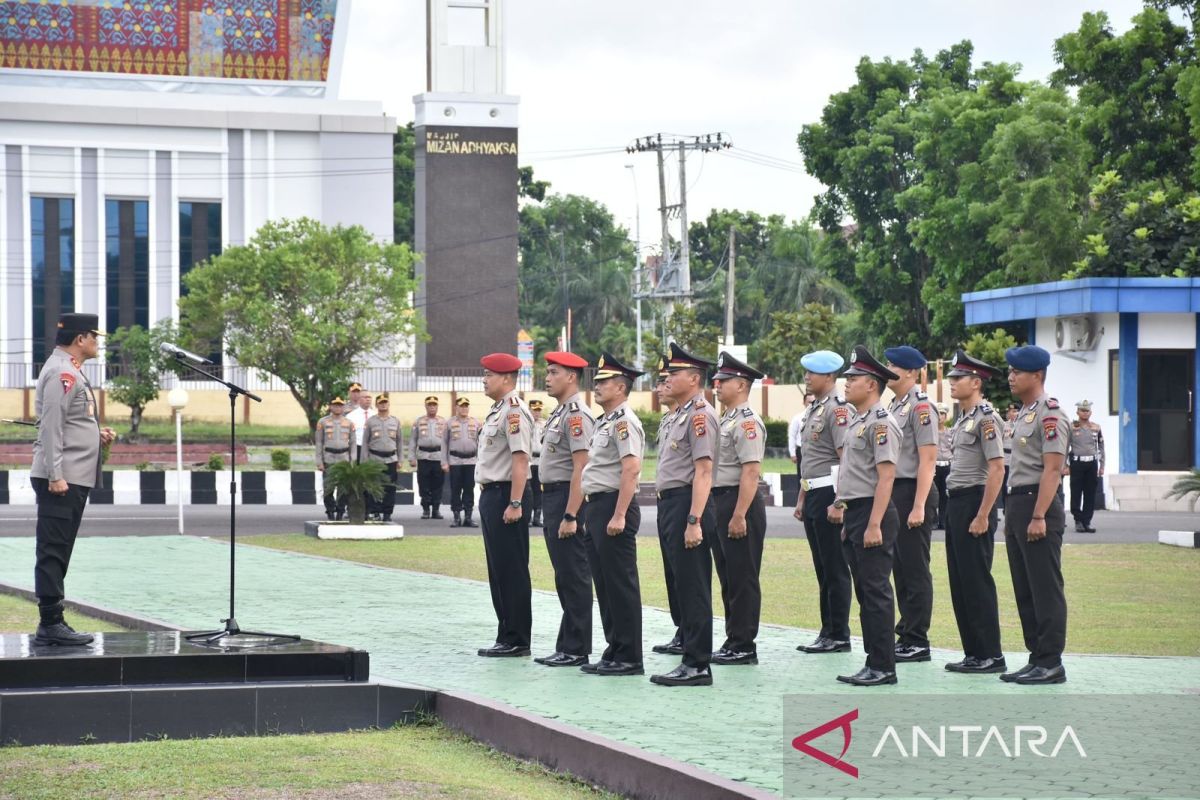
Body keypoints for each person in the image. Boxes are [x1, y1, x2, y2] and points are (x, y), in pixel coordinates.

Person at [30, 312, 115, 646]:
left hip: (73, 476)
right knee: (53, 549)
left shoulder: (69, 370)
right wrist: (55, 474)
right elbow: (51, 426)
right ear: (80, 339)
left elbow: (71, 421)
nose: (97, 343)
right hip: (62, 478)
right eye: (94, 336)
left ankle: (54, 619)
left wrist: (96, 434)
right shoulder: (62, 373)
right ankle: (50, 623)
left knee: (61, 548)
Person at [828, 346, 902, 686]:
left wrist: (874, 522)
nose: (847, 383)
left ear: (871, 385)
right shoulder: (858, 421)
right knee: (865, 592)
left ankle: (884, 666)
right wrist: (846, 511)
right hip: (857, 511)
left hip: (875, 511)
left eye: (853, 378)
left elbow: (886, 476)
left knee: (875, 592)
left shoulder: (882, 423)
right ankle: (873, 660)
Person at [650, 343, 719, 688]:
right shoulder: (677, 414)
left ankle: (697, 664)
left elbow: (703, 471)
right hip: (670, 504)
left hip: (687, 504)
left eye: (674, 373)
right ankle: (689, 655)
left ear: (693, 379)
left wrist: (694, 520)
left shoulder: (699, 415)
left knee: (693, 586)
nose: (667, 378)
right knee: (681, 583)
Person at [1001, 345, 1070, 685]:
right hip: (1017, 505)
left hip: (1037, 505)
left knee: (1045, 588)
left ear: (1037, 375)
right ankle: (1036, 657)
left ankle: (1051, 661)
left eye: (1017, 371)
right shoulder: (1025, 414)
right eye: (1010, 371)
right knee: (1025, 588)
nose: (1011, 376)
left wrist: (1039, 515)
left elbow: (1053, 470)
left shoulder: (1050, 415)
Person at [580, 353, 646, 676]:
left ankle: (630, 656)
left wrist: (619, 515)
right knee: (604, 585)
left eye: (604, 382)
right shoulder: (605, 421)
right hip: (597, 506)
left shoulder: (624, 421)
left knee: (620, 584)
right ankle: (614, 648)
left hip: (613, 506)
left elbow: (630, 469)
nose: (597, 385)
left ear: (621, 387)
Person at [942, 350, 1008, 675]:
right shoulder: (962, 418)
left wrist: (984, 514)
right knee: (960, 581)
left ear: (976, 382)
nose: (952, 383)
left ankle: (991, 654)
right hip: (956, 502)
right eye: (952, 377)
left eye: (958, 378)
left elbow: (997, 469)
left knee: (977, 580)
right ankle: (973, 652)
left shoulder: (986, 419)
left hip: (974, 501)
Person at [533, 352, 596, 669]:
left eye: (554, 371)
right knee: (564, 576)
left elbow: (581, 467)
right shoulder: (560, 414)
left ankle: (576, 647)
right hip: (552, 497)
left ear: (571, 377)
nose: (547, 376)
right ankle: (568, 643)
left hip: (566, 499)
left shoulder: (576, 416)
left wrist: (571, 514)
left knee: (574, 575)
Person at [791, 350, 854, 655]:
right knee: (822, 567)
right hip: (814, 493)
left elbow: (845, 458)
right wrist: (802, 497)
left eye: (811, 373)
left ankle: (839, 634)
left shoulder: (837, 410)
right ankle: (827, 629)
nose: (806, 377)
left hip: (830, 493)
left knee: (835, 567)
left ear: (829, 377)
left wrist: (840, 502)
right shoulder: (814, 409)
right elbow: (809, 460)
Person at [474, 353, 534, 658]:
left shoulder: (514, 411)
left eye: (489, 374)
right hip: (491, 493)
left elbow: (520, 458)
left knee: (511, 569)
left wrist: (515, 501)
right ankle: (505, 633)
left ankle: (518, 638)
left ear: (507, 379)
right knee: (498, 570)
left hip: (505, 494)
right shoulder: (497, 410)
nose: (484, 379)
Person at [709, 352, 768, 666]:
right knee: (728, 576)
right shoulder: (727, 419)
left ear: (742, 384)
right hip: (723, 500)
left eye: (723, 380)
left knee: (743, 577)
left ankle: (744, 644)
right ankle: (734, 638)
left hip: (739, 502)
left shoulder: (746, 422)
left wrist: (739, 514)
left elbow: (750, 471)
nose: (716, 385)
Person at [882, 345, 938, 664]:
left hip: (913, 492)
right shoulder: (895, 406)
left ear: (912, 372)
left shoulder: (920, 407)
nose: (890, 369)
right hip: (896, 492)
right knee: (899, 567)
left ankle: (917, 638)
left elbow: (928, 459)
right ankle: (905, 631)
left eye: (895, 365)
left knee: (915, 568)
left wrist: (918, 505)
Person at [649, 353, 684, 657]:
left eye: (665, 381)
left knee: (686, 572)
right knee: (672, 571)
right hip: (665, 502)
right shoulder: (669, 419)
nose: (660, 387)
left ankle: (690, 632)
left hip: (682, 502)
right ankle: (681, 628)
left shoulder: (693, 417)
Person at [363, 393, 401, 521]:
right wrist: (365, 461)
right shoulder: (371, 421)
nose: (383, 404)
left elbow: (399, 442)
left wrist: (400, 460)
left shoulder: (395, 421)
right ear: (376, 405)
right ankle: (375, 511)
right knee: (373, 487)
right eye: (381, 402)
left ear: (389, 404)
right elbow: (365, 442)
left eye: (385, 402)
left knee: (390, 488)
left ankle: (387, 513)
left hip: (391, 459)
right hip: (375, 459)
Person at [315, 396, 355, 521]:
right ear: (330, 407)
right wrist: (319, 461)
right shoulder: (323, 422)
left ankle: (340, 511)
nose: (338, 407)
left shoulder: (349, 423)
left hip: (344, 458)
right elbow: (319, 442)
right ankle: (330, 511)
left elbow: (353, 443)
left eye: (340, 405)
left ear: (343, 407)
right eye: (335, 405)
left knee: (343, 488)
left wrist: (352, 460)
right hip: (329, 458)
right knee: (328, 487)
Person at [1067, 400, 1104, 533]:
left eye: (1087, 410)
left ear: (1091, 412)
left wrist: (1102, 465)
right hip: (1077, 463)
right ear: (1077, 412)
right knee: (1076, 492)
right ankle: (1078, 520)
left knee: (1090, 493)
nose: (1085, 413)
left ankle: (1087, 521)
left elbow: (1100, 446)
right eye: (1082, 410)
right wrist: (1065, 464)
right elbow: (1066, 446)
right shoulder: (1072, 427)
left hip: (1092, 464)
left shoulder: (1096, 427)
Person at [445, 398, 481, 527]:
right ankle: (456, 517)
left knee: (469, 489)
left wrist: (481, 462)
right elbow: (444, 443)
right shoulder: (449, 423)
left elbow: (480, 443)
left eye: (466, 406)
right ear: (456, 408)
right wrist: (444, 462)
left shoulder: (476, 422)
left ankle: (468, 517)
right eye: (461, 406)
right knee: (455, 490)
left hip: (471, 461)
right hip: (455, 461)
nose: (464, 408)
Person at [409, 396, 446, 519]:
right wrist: (411, 457)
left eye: (434, 405)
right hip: (423, 457)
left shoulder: (443, 422)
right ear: (426, 406)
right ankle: (425, 509)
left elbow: (447, 442)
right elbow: (413, 441)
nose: (432, 407)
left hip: (438, 457)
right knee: (423, 484)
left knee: (438, 484)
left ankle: (436, 509)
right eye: (429, 405)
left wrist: (447, 460)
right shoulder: (419, 422)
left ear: (437, 407)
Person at [933, 402, 953, 530]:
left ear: (946, 417)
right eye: (938, 413)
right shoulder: (931, 432)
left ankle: (943, 521)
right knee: (934, 496)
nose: (940, 416)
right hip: (934, 466)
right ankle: (934, 521)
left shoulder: (950, 432)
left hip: (947, 466)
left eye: (942, 414)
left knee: (945, 495)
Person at [529, 399, 546, 528]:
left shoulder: (544, 424)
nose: (537, 412)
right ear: (530, 409)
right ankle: (528, 517)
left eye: (539, 410)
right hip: (529, 462)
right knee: (529, 491)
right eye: (535, 410)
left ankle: (537, 517)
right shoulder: (526, 423)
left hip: (540, 461)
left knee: (539, 491)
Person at [346, 388, 373, 463]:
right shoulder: (351, 416)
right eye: (365, 397)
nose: (368, 399)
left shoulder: (375, 415)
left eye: (369, 397)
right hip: (357, 447)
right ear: (359, 399)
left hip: (372, 448)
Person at [1000, 404, 1018, 509]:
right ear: (1008, 413)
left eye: (1016, 411)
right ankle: (1006, 508)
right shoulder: (1004, 426)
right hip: (1005, 459)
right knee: (1005, 486)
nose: (1015, 413)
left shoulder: (1022, 424)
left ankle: (1014, 508)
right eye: (1012, 411)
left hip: (1017, 459)